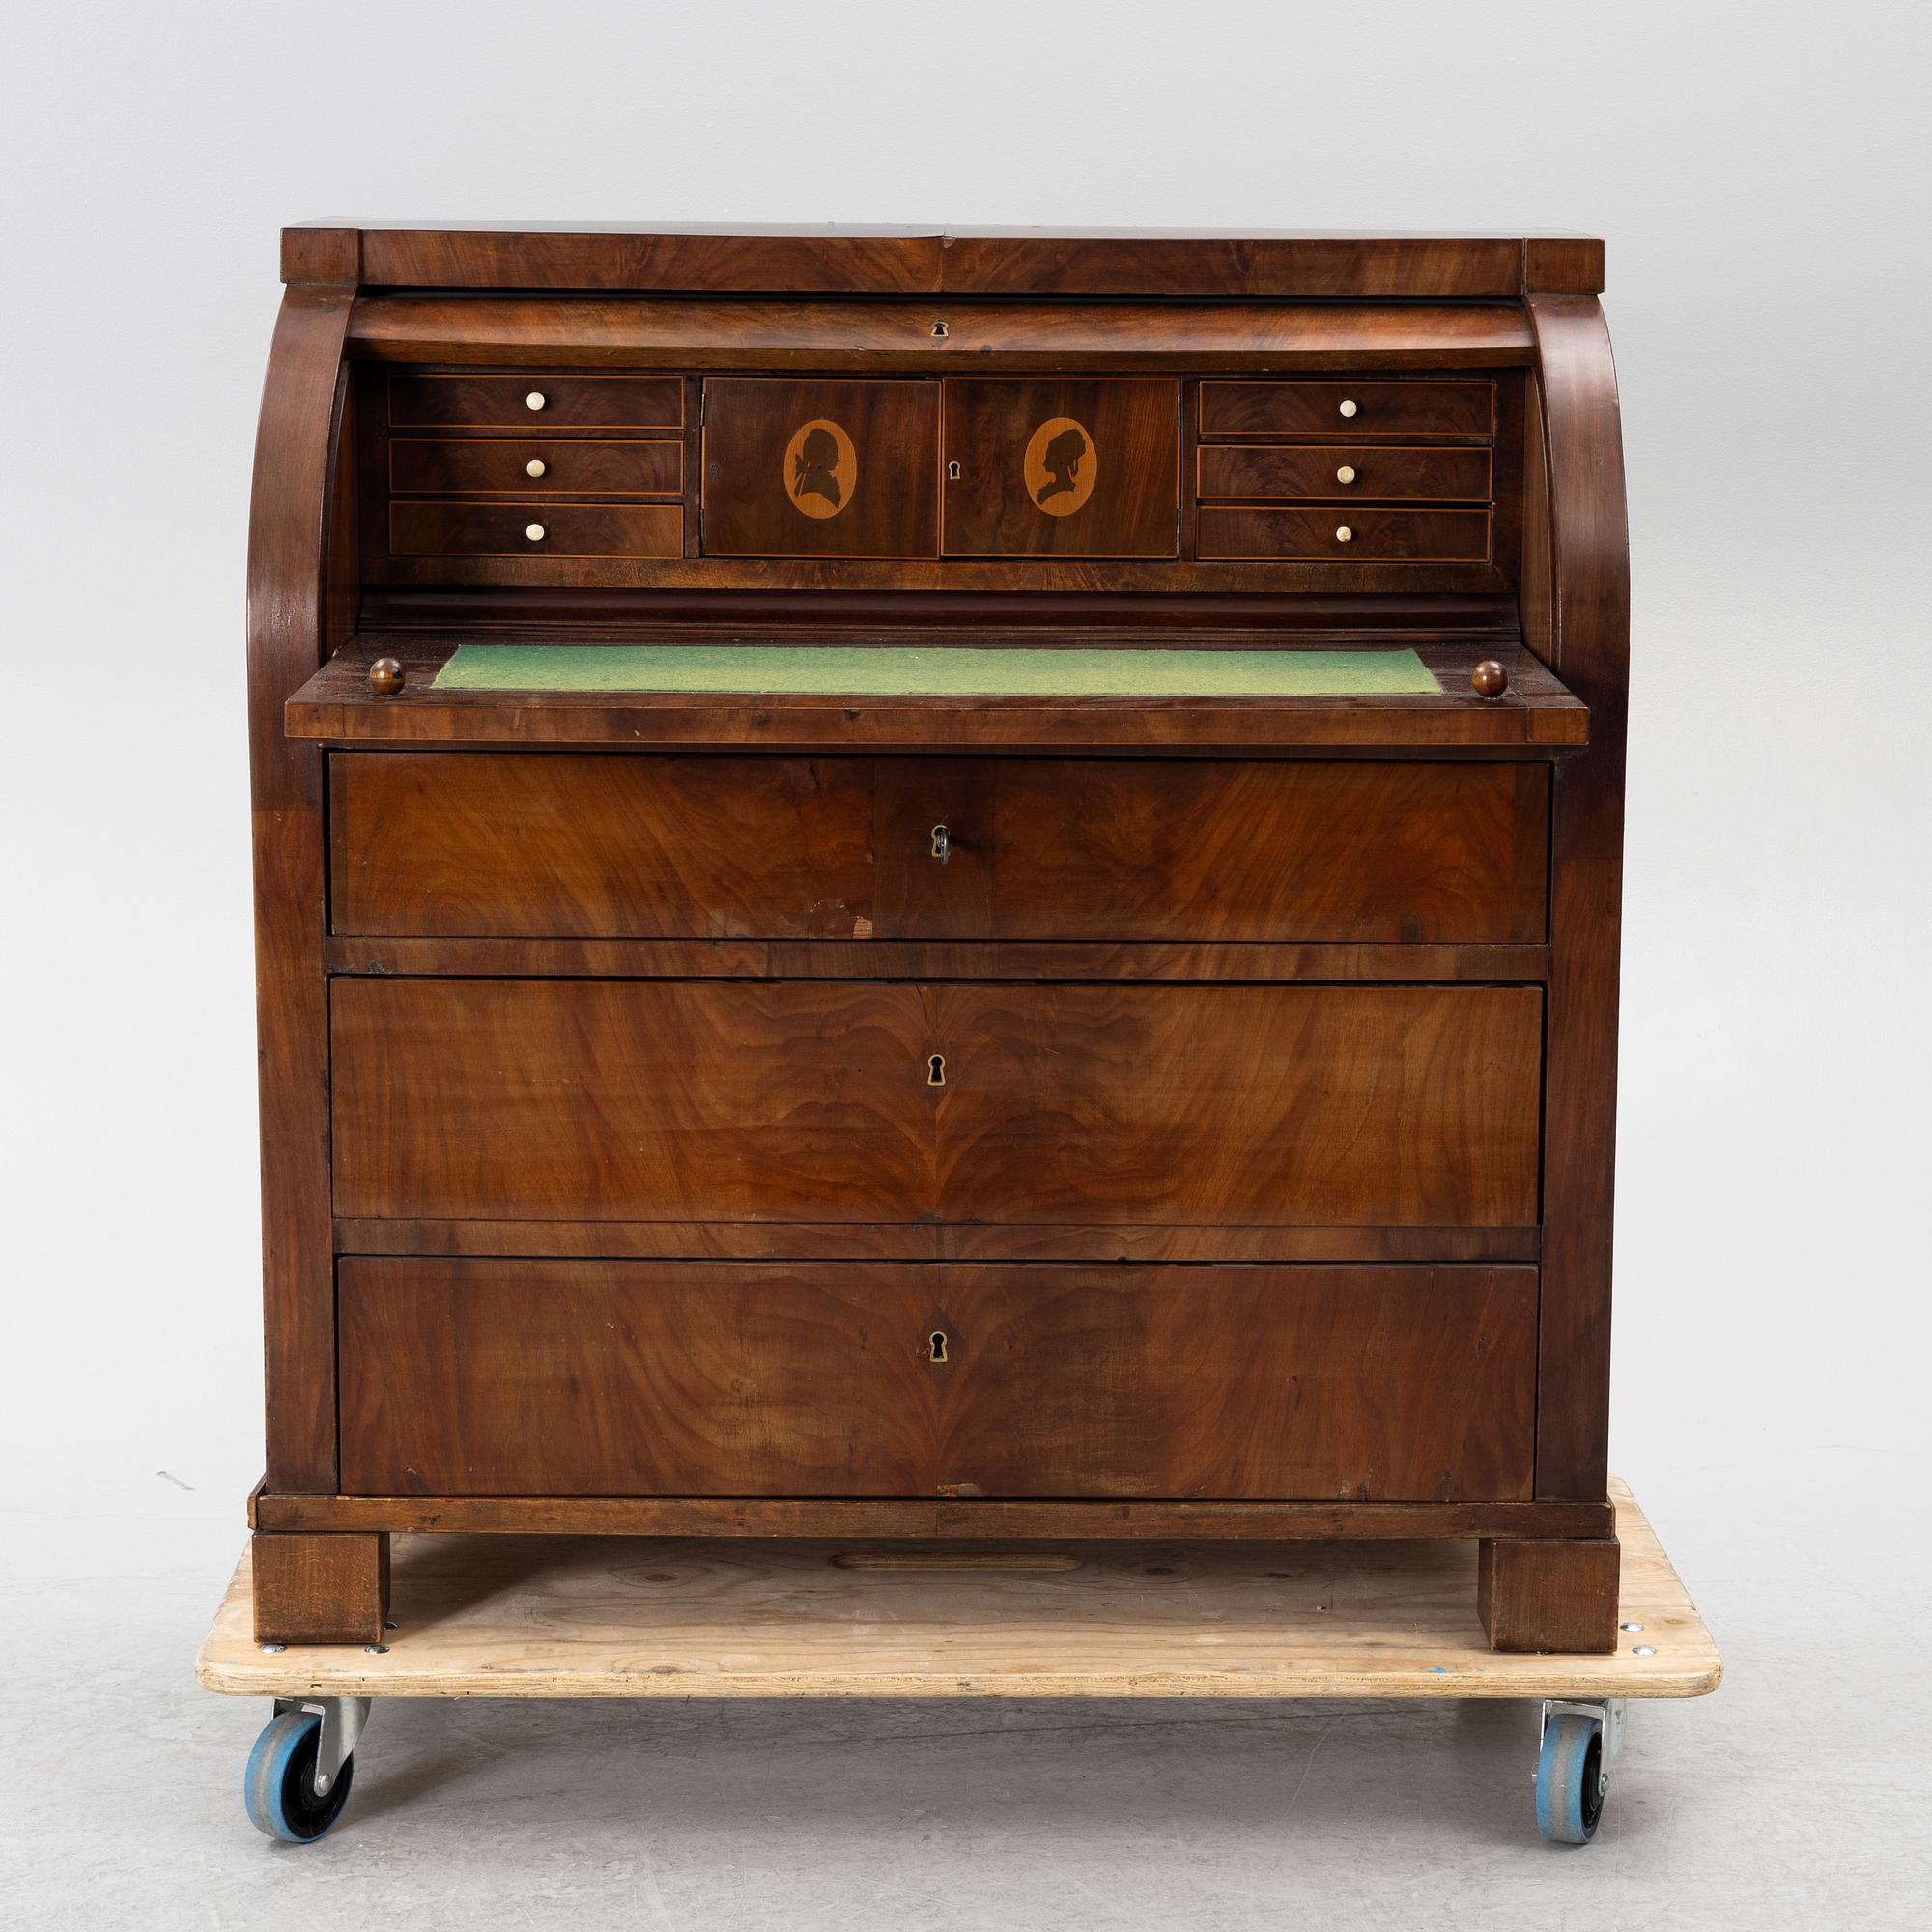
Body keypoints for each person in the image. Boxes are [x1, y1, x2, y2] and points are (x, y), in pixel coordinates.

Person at [1034, 424, 1089, 507]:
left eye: (1049, 456)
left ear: (1061, 461)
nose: (1044, 462)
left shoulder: (1053, 493)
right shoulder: (1052, 490)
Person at [791, 425, 844, 511]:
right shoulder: (821, 488)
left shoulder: (805, 480)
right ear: (820, 454)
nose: (838, 458)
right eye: (833, 452)